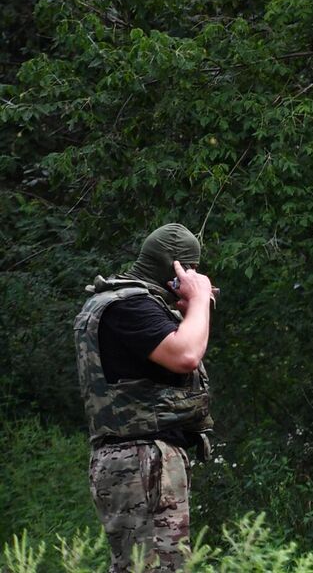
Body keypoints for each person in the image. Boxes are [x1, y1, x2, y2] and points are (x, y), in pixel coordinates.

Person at [73, 223, 217, 573]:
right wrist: (199, 302)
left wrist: (188, 308)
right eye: (191, 269)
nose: (195, 276)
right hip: (143, 459)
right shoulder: (132, 306)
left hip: (133, 458)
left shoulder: (118, 302)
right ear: (176, 270)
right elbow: (185, 355)